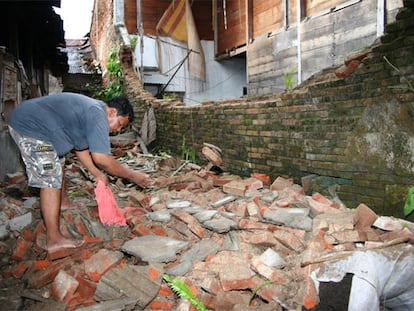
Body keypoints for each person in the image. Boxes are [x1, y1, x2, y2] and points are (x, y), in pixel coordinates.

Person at [8, 92, 154, 252]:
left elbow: (81, 148)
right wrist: (134, 176)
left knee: (58, 162)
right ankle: (54, 239)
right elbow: (102, 159)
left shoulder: (91, 112)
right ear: (112, 112)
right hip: (30, 128)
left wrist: (96, 173)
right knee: (50, 176)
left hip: (39, 128)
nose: (116, 130)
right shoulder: (97, 114)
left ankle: (62, 203)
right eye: (119, 124)